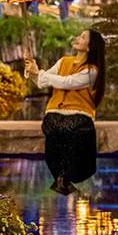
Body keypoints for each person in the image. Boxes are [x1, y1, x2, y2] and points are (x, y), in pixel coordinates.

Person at [25, 28, 105, 195]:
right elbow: (42, 81)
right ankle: (64, 178)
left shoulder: (92, 70)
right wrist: (33, 70)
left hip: (79, 112)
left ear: (90, 47)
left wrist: (39, 73)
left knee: (71, 129)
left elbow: (68, 82)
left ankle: (63, 177)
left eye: (83, 37)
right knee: (53, 127)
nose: (77, 38)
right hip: (55, 110)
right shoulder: (63, 61)